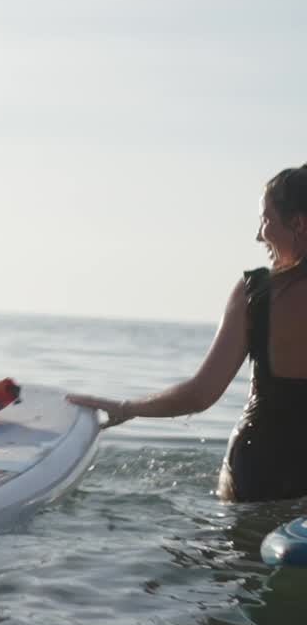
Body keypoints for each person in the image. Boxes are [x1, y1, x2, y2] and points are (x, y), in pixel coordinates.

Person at [69, 167, 307, 503]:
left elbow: (200, 395)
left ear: (298, 224)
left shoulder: (257, 293)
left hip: (258, 468)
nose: (259, 235)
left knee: (240, 554)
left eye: (266, 220)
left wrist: (127, 407)